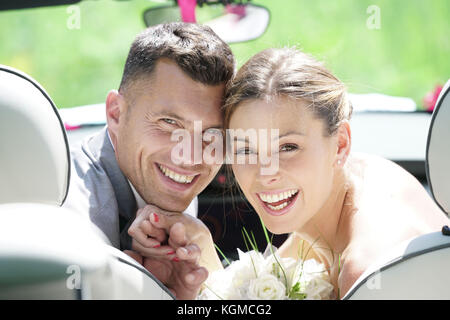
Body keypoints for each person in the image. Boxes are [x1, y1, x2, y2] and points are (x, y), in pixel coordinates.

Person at [131, 47, 449, 299]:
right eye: (245, 150)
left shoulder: (365, 270)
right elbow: (274, 277)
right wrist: (200, 244)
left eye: (287, 147)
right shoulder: (359, 177)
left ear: (340, 144)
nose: (265, 173)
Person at [63, 22, 235, 299]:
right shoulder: (78, 222)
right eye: (169, 123)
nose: (190, 157)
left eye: (211, 133)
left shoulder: (164, 175)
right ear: (116, 114)